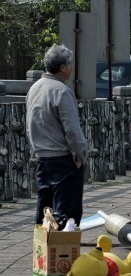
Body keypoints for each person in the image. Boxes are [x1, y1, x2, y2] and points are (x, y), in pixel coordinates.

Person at [26, 44, 88, 227]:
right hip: (63, 159)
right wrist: (79, 155)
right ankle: (63, 254)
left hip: (42, 158)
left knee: (44, 211)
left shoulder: (34, 88)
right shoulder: (61, 91)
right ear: (62, 67)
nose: (71, 68)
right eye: (70, 64)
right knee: (65, 214)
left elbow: (30, 123)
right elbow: (72, 129)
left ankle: (43, 252)